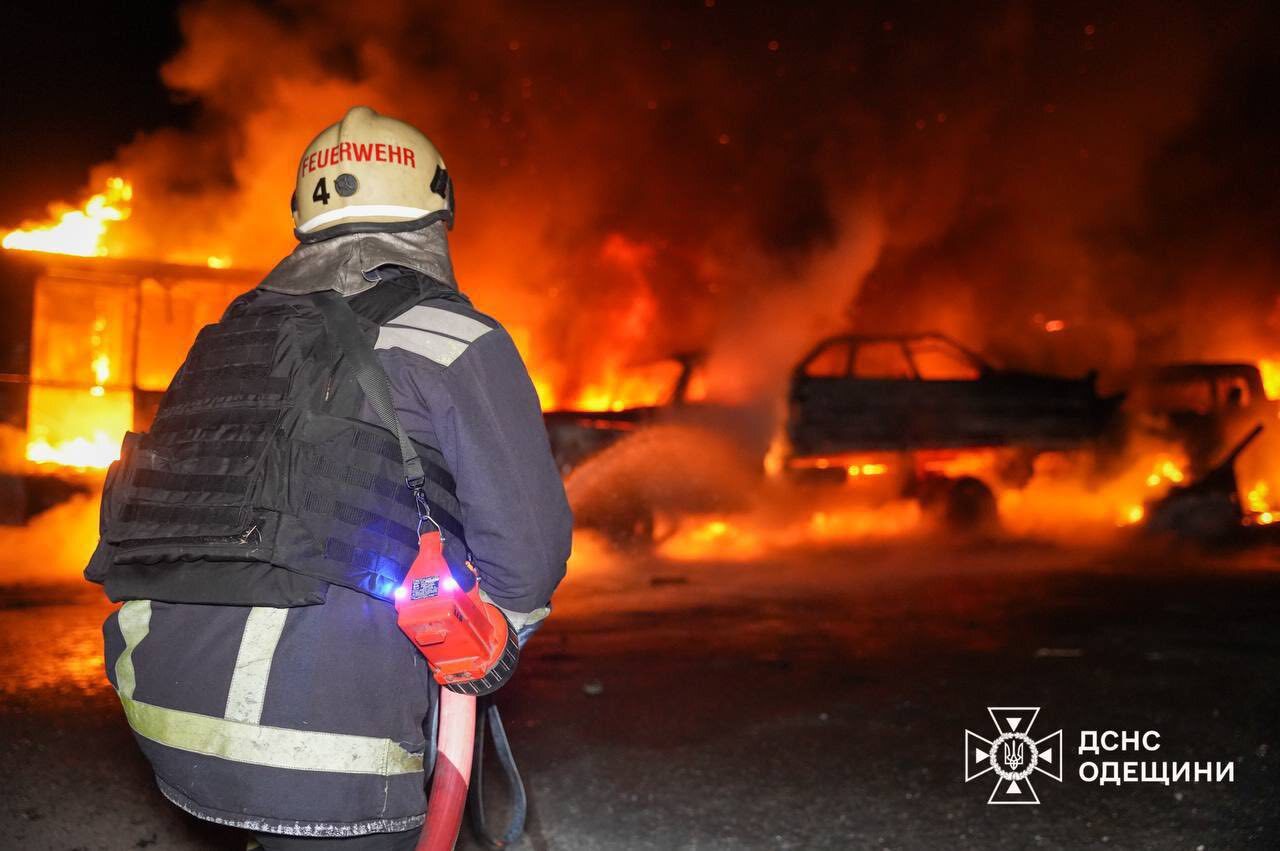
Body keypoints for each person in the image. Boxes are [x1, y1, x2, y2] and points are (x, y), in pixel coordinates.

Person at [86, 106, 572, 849]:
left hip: (162, 714)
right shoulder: (460, 339)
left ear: (302, 219)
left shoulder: (221, 340)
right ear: (437, 210)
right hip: (332, 748)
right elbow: (527, 556)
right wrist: (488, 637)